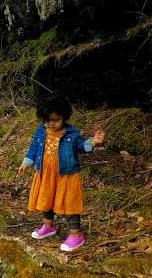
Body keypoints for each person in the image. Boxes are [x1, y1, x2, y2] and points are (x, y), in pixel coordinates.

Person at [18, 95, 105, 252]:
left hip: (66, 175)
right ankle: (48, 226)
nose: (51, 123)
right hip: (45, 174)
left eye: (56, 119)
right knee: (46, 199)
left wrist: (93, 141)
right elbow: (33, 149)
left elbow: (81, 146)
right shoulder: (40, 131)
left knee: (69, 203)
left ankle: (76, 235)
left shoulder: (71, 133)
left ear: (64, 117)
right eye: (47, 120)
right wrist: (26, 162)